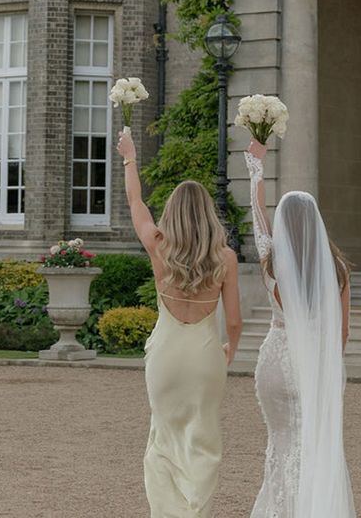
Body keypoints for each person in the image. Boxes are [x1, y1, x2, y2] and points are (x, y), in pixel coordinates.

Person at [117, 128, 243, 518]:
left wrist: (130, 157)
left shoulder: (159, 245)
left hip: (166, 356)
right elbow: (235, 322)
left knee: (163, 439)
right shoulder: (225, 259)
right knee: (204, 442)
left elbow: (135, 200)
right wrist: (229, 352)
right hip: (206, 357)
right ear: (208, 213)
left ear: (171, 211)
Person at [246, 137, 356, 518]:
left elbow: (257, 218)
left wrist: (256, 168)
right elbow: (341, 334)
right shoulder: (337, 271)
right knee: (312, 445)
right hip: (313, 364)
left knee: (281, 444)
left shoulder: (272, 263)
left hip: (276, 360)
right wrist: (327, 368)